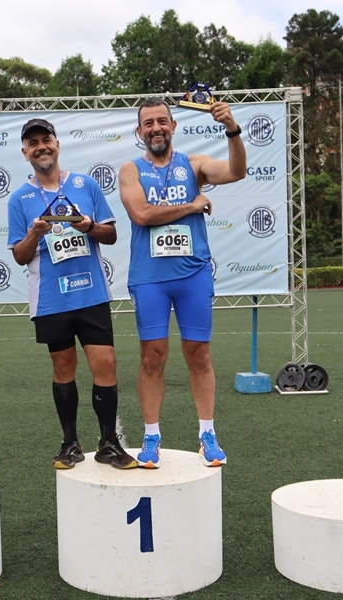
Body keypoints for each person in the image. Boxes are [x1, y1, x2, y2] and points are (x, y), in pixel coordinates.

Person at [118, 97, 247, 469]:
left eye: (162, 121)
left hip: (192, 275)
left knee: (199, 354)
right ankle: (151, 435)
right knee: (152, 356)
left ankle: (207, 433)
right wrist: (192, 206)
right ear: (139, 131)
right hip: (150, 279)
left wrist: (232, 129)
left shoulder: (194, 165)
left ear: (173, 126)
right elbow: (141, 214)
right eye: (148, 123)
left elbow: (237, 171)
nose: (155, 128)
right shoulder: (131, 170)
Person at [8, 118, 136, 470]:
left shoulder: (86, 185)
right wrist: (34, 234)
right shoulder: (20, 199)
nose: (40, 147)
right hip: (51, 298)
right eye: (32, 143)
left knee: (105, 363)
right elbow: (19, 255)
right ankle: (70, 443)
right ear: (25, 152)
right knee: (63, 367)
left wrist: (88, 226)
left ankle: (109, 442)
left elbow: (109, 235)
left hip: (91, 294)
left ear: (57, 144)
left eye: (45, 139)